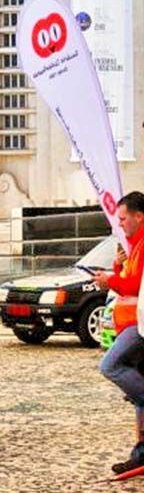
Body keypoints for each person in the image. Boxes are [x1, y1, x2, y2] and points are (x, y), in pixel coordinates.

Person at [96, 191, 144, 473]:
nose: (121, 224)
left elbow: (135, 284)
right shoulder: (134, 245)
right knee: (136, 386)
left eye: (124, 218)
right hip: (132, 321)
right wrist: (116, 267)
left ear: (139, 216)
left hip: (139, 324)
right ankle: (140, 453)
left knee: (110, 365)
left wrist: (109, 280)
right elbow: (128, 277)